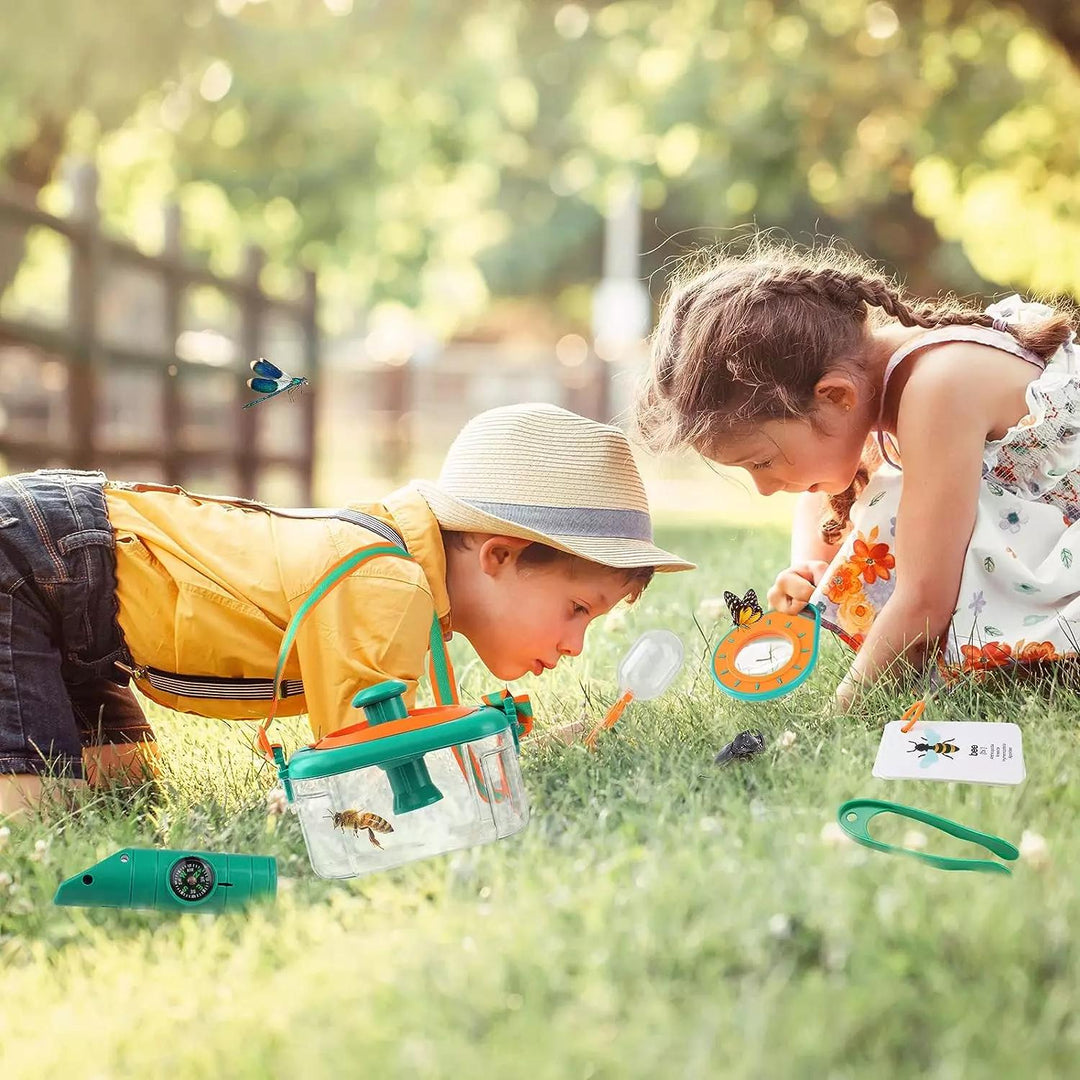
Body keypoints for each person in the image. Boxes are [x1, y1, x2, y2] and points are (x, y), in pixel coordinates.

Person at [0, 402, 694, 817]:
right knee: (30, 825)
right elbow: (368, 778)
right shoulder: (387, 586)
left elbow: (404, 749)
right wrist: (522, 753)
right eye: (578, 608)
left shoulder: (410, 585)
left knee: (119, 802)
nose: (576, 644)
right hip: (34, 563)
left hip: (85, 605)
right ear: (499, 556)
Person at [634, 239, 1079, 709]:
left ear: (836, 397)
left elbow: (925, 598)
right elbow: (829, 495)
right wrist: (811, 569)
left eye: (761, 462)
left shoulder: (939, 388)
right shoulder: (880, 381)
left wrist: (843, 708)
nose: (764, 489)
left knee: (896, 515)